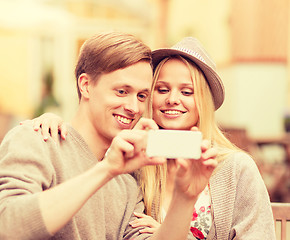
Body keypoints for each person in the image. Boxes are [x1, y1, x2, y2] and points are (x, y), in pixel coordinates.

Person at [22, 37, 276, 239]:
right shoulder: (135, 161)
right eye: (162, 89)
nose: (172, 99)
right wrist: (54, 122)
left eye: (186, 91)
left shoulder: (235, 169)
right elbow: (90, 141)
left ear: (203, 102)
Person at [0, 32, 218, 240]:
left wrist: (184, 198)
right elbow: (7, 227)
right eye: (121, 91)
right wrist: (105, 170)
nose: (134, 107)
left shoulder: (127, 179)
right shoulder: (36, 140)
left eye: (142, 95)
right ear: (85, 85)